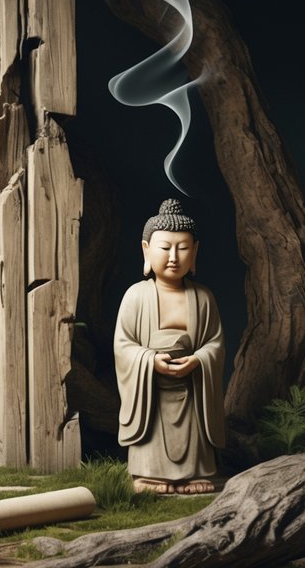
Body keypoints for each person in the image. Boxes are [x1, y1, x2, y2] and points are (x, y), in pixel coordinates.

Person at [114, 198, 225, 495]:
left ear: (195, 252)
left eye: (183, 248)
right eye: (164, 248)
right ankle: (149, 474)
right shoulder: (136, 296)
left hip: (190, 391)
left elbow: (215, 344)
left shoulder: (203, 298)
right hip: (151, 395)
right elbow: (123, 346)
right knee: (152, 433)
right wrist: (149, 361)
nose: (174, 257)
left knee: (193, 431)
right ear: (146, 250)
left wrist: (198, 361)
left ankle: (195, 474)